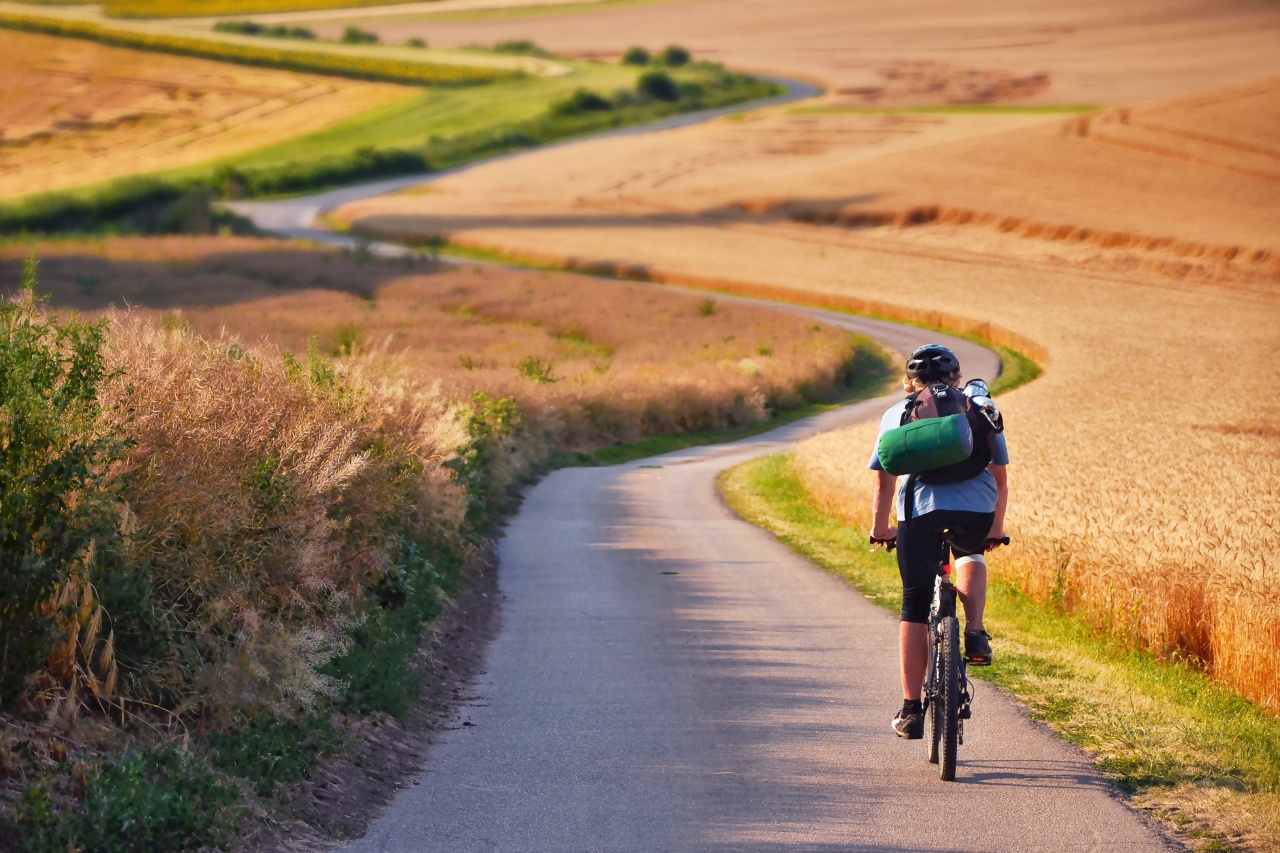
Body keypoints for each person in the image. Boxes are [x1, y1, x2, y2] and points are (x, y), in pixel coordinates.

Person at [867, 344, 1009, 740]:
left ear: (911, 382)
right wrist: (995, 528)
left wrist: (881, 529)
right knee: (970, 552)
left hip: (920, 511)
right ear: (957, 378)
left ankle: (911, 710)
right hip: (976, 509)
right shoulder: (979, 406)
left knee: (914, 601)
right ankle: (975, 631)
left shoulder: (896, 414)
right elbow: (1000, 478)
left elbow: (883, 479)